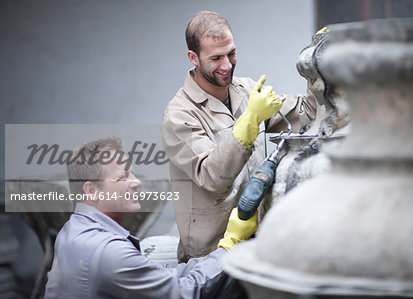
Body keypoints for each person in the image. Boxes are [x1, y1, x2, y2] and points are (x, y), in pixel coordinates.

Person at [161, 10, 317, 262]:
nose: (226, 65)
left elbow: (307, 113)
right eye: (216, 58)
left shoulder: (245, 90)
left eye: (231, 53)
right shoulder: (179, 115)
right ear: (193, 57)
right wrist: (251, 120)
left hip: (256, 242)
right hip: (211, 255)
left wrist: (318, 66)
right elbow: (213, 177)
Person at [44, 137, 257, 298]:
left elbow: (166, 276)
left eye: (133, 173)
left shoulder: (74, 228)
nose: (136, 182)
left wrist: (216, 256)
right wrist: (230, 245)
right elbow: (184, 292)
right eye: (123, 177)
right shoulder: (108, 251)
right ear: (91, 190)